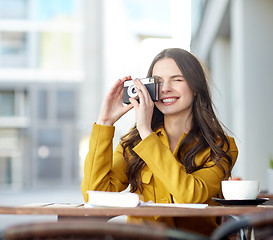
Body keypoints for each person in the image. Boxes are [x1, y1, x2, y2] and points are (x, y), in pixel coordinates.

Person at [81, 48, 238, 236]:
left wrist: (147, 132)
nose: (165, 89)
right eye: (158, 82)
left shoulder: (220, 146)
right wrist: (105, 123)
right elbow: (96, 193)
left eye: (177, 79)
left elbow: (190, 197)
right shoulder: (133, 143)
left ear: (196, 87)